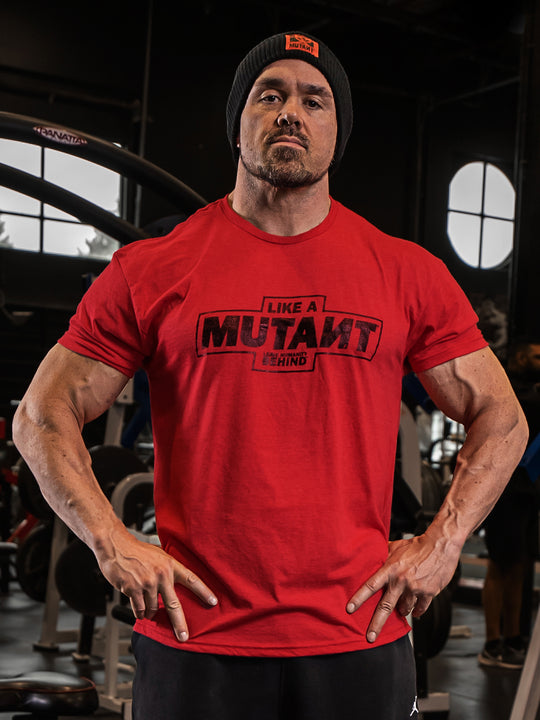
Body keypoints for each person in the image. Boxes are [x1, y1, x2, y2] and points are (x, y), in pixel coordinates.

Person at [12, 31, 528, 720]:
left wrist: (443, 546)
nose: (292, 111)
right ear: (238, 122)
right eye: (270, 94)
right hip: (196, 638)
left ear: (336, 131)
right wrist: (112, 543)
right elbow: (40, 417)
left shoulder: (405, 272)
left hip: (358, 636)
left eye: (315, 100)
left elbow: (505, 417)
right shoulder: (152, 268)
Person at [479, 338, 540, 669]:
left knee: (520, 565)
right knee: (499, 566)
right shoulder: (508, 386)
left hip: (528, 492)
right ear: (520, 356)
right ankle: (491, 642)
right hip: (503, 490)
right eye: (535, 355)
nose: (539, 360)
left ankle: (514, 637)